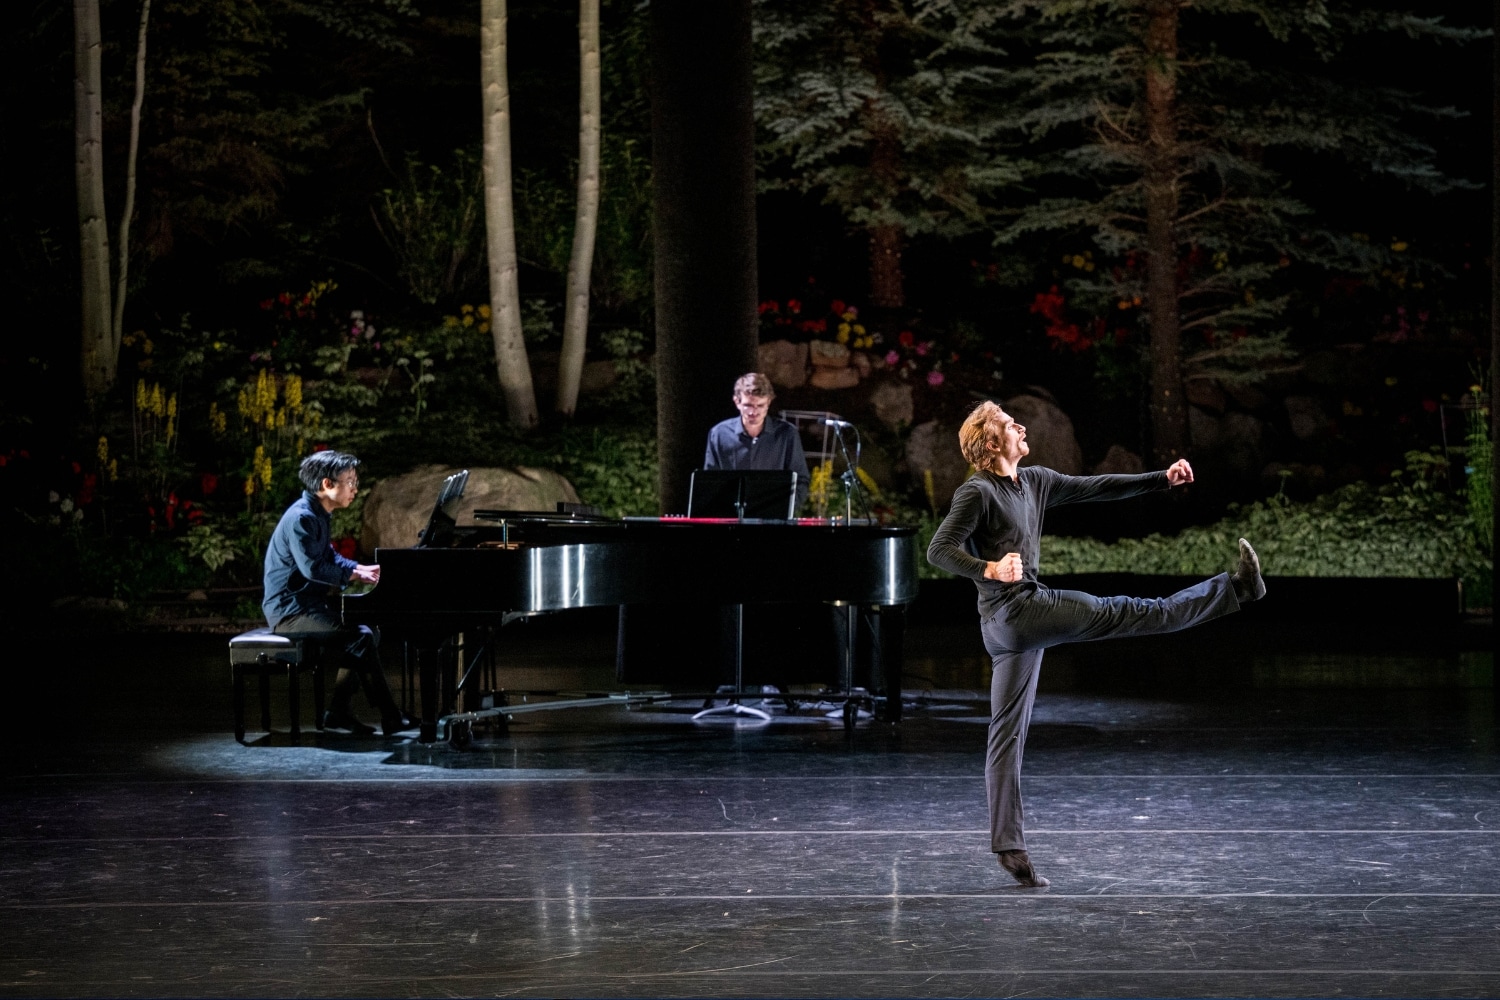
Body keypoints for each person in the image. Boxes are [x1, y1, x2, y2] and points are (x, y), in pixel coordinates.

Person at [926, 401, 1265, 888]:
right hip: (1017, 612)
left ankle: (1010, 848)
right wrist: (991, 568)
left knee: (1005, 734)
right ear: (992, 442)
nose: (1020, 425)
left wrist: (1160, 479)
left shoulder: (1035, 481)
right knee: (1130, 610)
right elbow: (939, 549)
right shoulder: (977, 492)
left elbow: (1098, 488)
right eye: (1008, 423)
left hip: (1009, 628)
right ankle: (1235, 589)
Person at [263, 450, 416, 736]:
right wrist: (355, 574)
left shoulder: (318, 514)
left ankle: (338, 711)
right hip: (289, 611)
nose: (355, 489)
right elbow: (312, 568)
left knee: (369, 630)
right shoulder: (302, 518)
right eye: (350, 482)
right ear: (326, 485)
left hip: (308, 603)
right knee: (361, 635)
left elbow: (330, 557)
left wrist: (361, 567)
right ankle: (389, 716)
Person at [703, 372, 809, 509]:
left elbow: (800, 479)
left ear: (769, 402)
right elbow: (709, 481)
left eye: (760, 405)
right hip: (731, 520)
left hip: (774, 521)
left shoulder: (787, 434)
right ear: (737, 402)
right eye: (748, 405)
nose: (754, 412)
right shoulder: (719, 434)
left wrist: (784, 508)